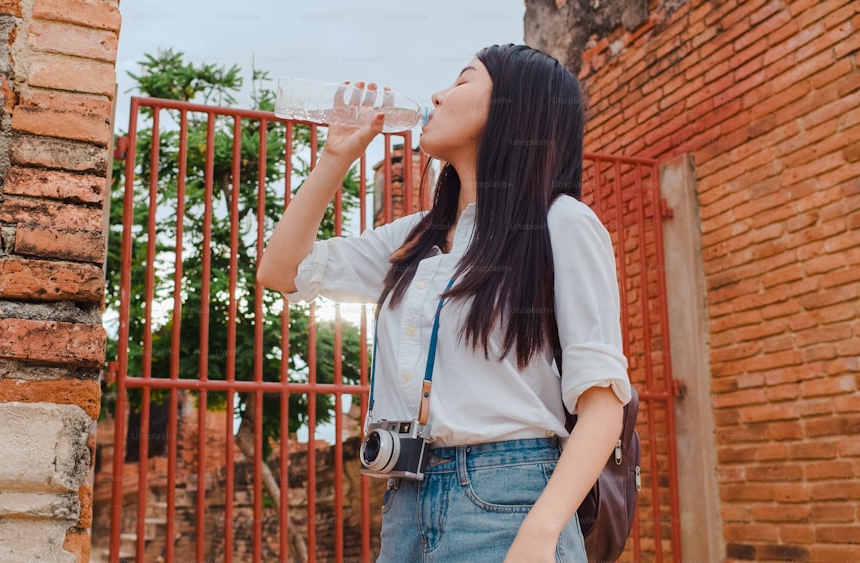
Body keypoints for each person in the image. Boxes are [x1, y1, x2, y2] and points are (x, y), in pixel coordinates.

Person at [257, 43, 631, 563]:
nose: (436, 95)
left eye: (461, 82)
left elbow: (602, 405)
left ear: (511, 108)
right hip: (406, 498)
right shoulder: (415, 238)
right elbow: (280, 272)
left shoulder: (560, 221)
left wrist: (541, 533)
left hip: (510, 497)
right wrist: (336, 156)